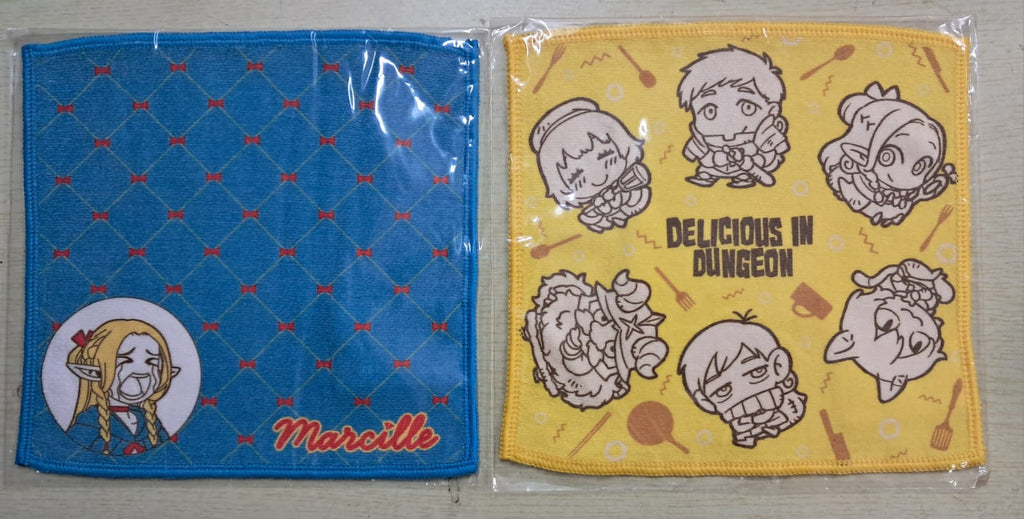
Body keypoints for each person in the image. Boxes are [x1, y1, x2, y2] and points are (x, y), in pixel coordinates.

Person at [818, 82, 956, 227]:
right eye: (888, 156)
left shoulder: (905, 192)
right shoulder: (853, 179)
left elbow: (957, 181)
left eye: (920, 167)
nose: (907, 171)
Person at [678, 312, 806, 448]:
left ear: (778, 365)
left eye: (757, 372)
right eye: (723, 390)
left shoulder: (792, 406)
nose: (747, 392)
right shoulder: (742, 430)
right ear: (705, 402)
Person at [531, 98, 652, 233]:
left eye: (605, 155)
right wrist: (597, 218)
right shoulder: (591, 213)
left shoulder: (633, 189)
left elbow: (641, 200)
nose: (599, 178)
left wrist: (627, 206)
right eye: (576, 177)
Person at [677, 46, 790, 188]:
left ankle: (742, 176)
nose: (728, 130)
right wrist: (707, 157)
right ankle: (707, 174)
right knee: (706, 169)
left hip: (748, 168)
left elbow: (768, 159)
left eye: (747, 108)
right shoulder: (701, 141)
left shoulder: (765, 140)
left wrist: (748, 162)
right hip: (711, 167)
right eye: (710, 111)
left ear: (772, 111)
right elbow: (691, 154)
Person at [65, 319, 179, 455]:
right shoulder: (90, 421)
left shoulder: (150, 421)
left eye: (151, 361)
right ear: (95, 372)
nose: (141, 371)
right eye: (126, 360)